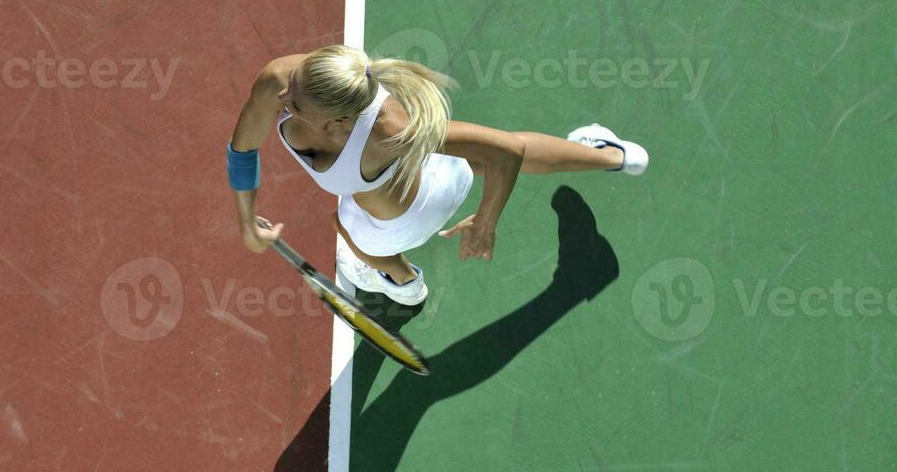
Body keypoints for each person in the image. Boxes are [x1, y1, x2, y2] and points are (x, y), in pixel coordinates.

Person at [226, 45, 647, 305]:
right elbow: (505, 148)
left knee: (346, 223)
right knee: (480, 152)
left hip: (408, 223)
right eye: (292, 85)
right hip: (446, 175)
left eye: (296, 102)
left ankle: (402, 281)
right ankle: (616, 157)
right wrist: (246, 221)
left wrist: (486, 223)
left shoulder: (390, 132)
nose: (282, 97)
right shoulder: (289, 80)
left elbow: (510, 152)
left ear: (337, 121)